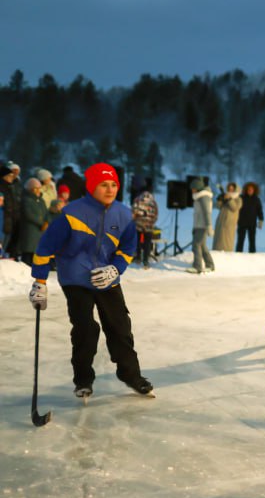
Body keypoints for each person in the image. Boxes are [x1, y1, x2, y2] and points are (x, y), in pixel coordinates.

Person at [28, 163, 153, 400]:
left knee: (120, 327)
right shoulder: (72, 214)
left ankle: (131, 375)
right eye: (103, 184)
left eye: (114, 184)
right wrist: (39, 282)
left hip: (107, 279)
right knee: (86, 329)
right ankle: (83, 380)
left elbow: (127, 249)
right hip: (76, 278)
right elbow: (45, 248)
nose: (110, 189)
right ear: (91, 186)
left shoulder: (124, 214)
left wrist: (115, 270)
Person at [17, 177, 50, 265]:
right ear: (31, 189)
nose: (38, 190)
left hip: (40, 231)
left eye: (39, 188)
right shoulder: (26, 200)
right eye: (36, 188)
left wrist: (47, 222)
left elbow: (46, 212)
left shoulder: (41, 200)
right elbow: (29, 215)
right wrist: (41, 223)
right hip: (30, 230)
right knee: (28, 252)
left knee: (36, 252)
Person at [188, 177, 215, 273]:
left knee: (196, 245)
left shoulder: (204, 197)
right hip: (198, 225)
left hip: (202, 226)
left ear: (198, 188)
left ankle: (197, 267)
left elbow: (207, 212)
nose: (192, 190)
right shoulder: (199, 197)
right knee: (202, 246)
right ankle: (210, 265)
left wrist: (209, 226)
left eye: (193, 188)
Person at [131, 181, 159, 269]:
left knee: (138, 240)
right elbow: (156, 213)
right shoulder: (153, 201)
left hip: (139, 224)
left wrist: (135, 220)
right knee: (147, 242)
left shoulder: (138, 199)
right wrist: (152, 222)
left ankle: (138, 257)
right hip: (149, 225)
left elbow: (133, 211)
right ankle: (146, 261)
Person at [213, 182, 242, 251]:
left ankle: (226, 256)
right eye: (229, 189)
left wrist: (229, 199)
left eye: (232, 189)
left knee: (227, 241)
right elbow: (218, 206)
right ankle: (216, 253)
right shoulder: (225, 197)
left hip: (229, 224)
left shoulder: (238, 199)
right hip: (220, 223)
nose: (230, 190)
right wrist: (219, 200)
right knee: (218, 240)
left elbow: (234, 208)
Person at [236, 182, 264, 252]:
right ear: (246, 190)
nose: (250, 191)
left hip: (252, 224)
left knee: (252, 241)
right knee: (240, 240)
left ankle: (252, 255)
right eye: (248, 189)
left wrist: (261, 220)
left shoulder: (256, 199)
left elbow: (259, 211)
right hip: (241, 223)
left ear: (254, 190)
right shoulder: (241, 198)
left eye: (251, 190)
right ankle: (238, 254)